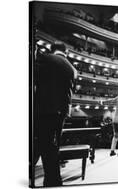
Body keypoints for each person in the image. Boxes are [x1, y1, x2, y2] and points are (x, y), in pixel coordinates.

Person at [33, 42, 77, 187]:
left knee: (45, 146)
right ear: (67, 51)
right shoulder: (72, 68)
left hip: (44, 109)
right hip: (61, 112)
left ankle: (53, 181)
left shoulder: (46, 58)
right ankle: (52, 180)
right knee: (50, 146)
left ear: (52, 50)